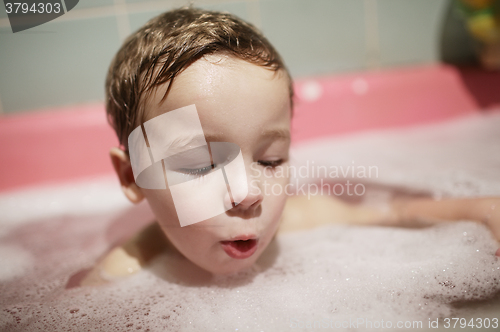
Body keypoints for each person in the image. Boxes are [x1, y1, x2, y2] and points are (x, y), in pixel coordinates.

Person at [80, 7, 500, 286]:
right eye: (202, 165)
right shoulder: (121, 277)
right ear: (132, 176)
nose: (248, 193)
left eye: (270, 159)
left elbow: (397, 211)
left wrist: (484, 209)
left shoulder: (297, 218)